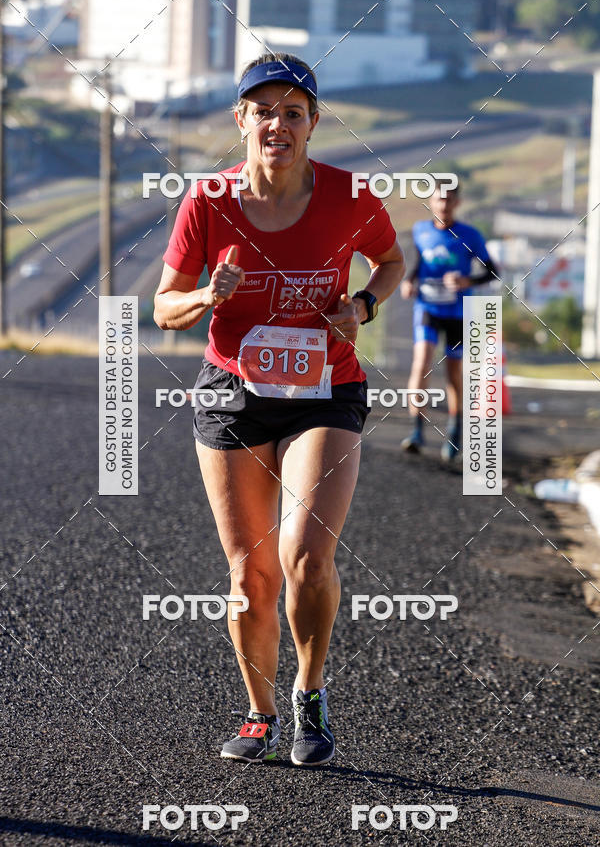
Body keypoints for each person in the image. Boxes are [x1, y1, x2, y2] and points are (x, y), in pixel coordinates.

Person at [153, 53, 405, 766]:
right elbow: (164, 306)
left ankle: (311, 694)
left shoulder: (349, 196)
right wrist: (208, 296)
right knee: (249, 576)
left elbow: (391, 262)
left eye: (292, 113)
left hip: (326, 388)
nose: (277, 125)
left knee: (306, 556)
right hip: (234, 393)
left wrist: (362, 305)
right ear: (241, 121)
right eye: (263, 111)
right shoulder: (208, 200)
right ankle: (261, 712)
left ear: (312, 125)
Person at [400, 181, 499, 461]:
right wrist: (409, 281)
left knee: (453, 374)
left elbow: (492, 271)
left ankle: (455, 430)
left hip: (457, 312)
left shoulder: (469, 235)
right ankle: (417, 431)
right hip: (428, 308)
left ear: (457, 203)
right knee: (421, 362)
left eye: (449, 200)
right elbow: (419, 262)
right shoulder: (421, 231)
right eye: (438, 200)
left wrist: (468, 279)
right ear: (431, 202)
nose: (443, 205)